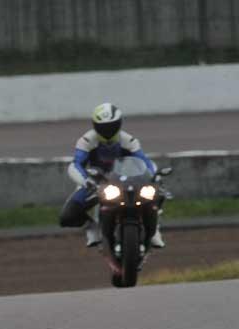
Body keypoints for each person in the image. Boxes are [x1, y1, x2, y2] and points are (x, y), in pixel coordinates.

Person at [59, 103, 165, 248]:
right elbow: (75, 164)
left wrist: (153, 177)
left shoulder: (129, 140)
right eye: (103, 127)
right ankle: (92, 228)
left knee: (156, 194)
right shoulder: (86, 141)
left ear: (119, 124)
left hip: (127, 181)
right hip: (96, 182)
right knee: (68, 216)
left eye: (111, 126)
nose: (107, 131)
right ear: (95, 126)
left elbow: (145, 162)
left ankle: (154, 230)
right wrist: (86, 181)